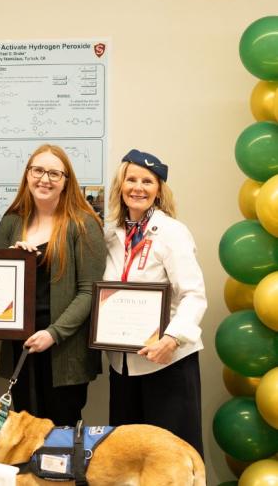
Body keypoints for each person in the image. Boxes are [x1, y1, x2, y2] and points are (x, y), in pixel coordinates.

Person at [103, 149, 206, 456]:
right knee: (128, 457)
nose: (138, 187)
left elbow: (194, 294)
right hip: (123, 366)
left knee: (172, 457)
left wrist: (172, 339)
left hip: (167, 362)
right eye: (131, 179)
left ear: (159, 189)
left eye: (147, 181)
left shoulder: (172, 232)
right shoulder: (111, 234)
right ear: (120, 186)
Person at [0, 144, 106, 426]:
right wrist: (12, 259)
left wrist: (53, 333)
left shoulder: (83, 224)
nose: (45, 179)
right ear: (27, 175)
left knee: (60, 434)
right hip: (20, 346)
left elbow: (89, 291)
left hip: (63, 349)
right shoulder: (11, 222)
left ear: (67, 181)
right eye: (38, 171)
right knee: (24, 431)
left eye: (54, 173)